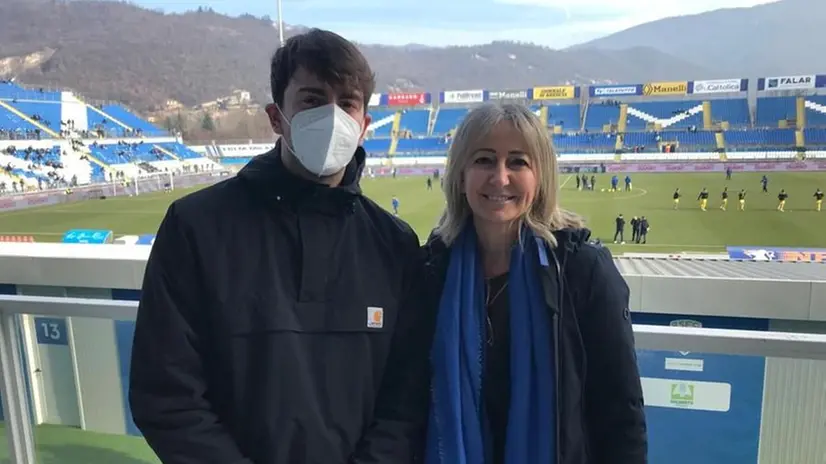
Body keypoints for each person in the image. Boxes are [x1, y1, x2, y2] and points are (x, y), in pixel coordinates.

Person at [129, 29, 422, 464]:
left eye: (347, 103)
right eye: (311, 99)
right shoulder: (195, 227)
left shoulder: (395, 245)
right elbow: (167, 394)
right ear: (275, 116)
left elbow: (409, 399)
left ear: (363, 125)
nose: (332, 116)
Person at [391, 103, 647, 463]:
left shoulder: (581, 270)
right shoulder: (432, 271)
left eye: (517, 162)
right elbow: (406, 401)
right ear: (460, 175)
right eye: (483, 160)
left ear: (540, 176)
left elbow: (620, 411)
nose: (500, 177)